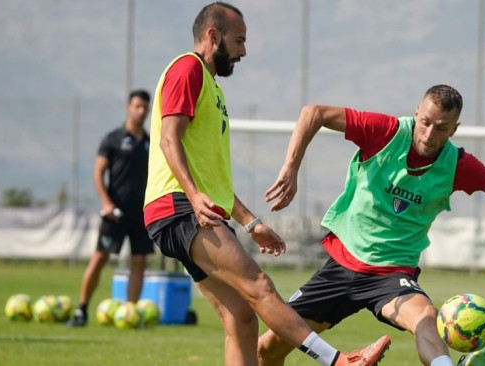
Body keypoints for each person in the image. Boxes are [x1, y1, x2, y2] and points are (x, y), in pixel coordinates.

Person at [257, 85, 485, 366]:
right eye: (425, 121)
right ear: (417, 113)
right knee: (268, 349)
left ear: (455, 129)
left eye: (441, 128)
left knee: (427, 317)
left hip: (391, 276)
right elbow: (313, 113)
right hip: (340, 266)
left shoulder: (459, 165)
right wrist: (290, 169)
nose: (429, 133)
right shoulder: (386, 132)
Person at [142, 2, 390, 365]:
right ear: (213, 35)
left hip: (187, 209)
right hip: (178, 207)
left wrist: (250, 222)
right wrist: (194, 198)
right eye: (238, 40)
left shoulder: (213, 90)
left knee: (241, 318)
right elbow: (168, 139)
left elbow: (215, 179)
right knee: (259, 287)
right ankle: (338, 362)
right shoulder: (188, 68)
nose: (244, 51)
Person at [67, 89, 153, 327]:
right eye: (137, 106)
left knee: (139, 262)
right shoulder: (112, 139)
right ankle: (82, 310)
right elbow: (98, 172)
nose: (141, 111)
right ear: (128, 108)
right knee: (99, 258)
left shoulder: (150, 142)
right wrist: (106, 203)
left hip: (142, 213)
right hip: (115, 213)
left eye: (145, 107)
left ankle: (131, 314)